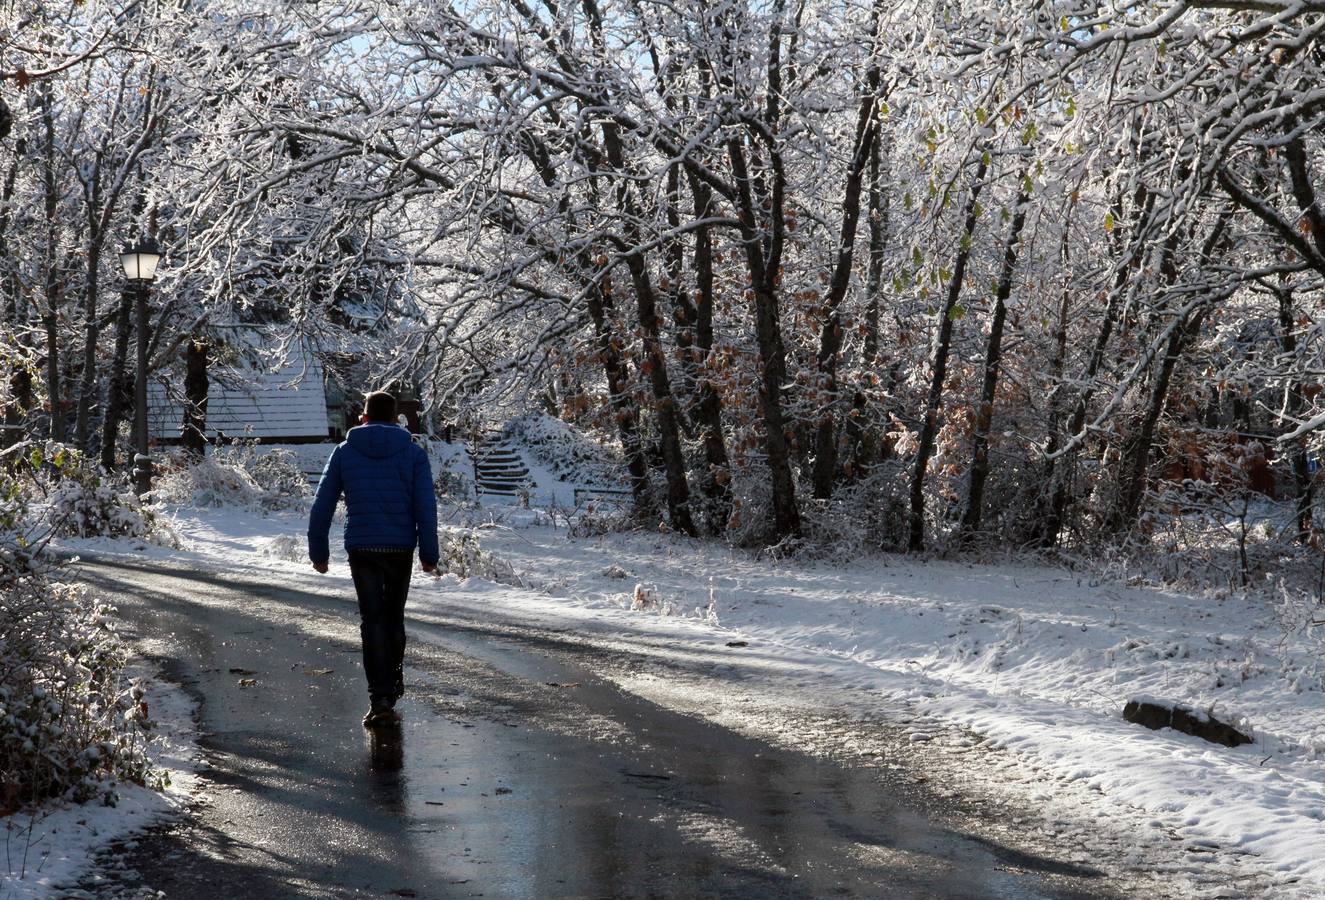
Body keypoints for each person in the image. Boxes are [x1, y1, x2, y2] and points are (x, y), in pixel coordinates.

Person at [308, 390, 439, 727]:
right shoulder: (413, 453)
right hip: (399, 549)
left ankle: (379, 696)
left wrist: (318, 551)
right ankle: (391, 685)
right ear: (396, 419)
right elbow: (426, 507)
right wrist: (429, 553)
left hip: (362, 548)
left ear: (363, 417)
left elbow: (322, 504)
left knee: (372, 620)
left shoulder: (345, 451)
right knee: (394, 617)